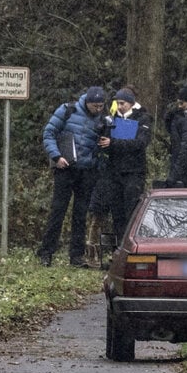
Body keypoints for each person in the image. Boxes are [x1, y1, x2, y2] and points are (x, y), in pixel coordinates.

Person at [39, 86, 109, 267]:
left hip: (87, 170)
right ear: (87, 102)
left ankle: (76, 256)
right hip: (65, 167)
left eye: (101, 106)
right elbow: (49, 133)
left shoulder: (103, 118)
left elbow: (104, 147)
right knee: (58, 211)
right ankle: (46, 253)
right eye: (95, 106)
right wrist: (56, 156)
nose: (98, 109)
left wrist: (104, 146)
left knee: (80, 214)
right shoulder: (67, 110)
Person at [85, 86, 152, 268]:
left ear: (130, 103)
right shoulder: (113, 118)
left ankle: (130, 251)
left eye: (122, 103)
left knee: (131, 212)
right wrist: (104, 131)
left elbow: (140, 143)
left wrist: (113, 143)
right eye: (118, 103)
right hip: (114, 173)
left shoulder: (143, 118)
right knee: (117, 214)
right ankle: (117, 253)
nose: (119, 106)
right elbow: (103, 143)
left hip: (133, 172)